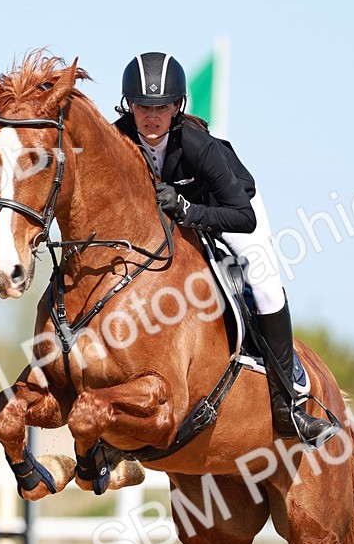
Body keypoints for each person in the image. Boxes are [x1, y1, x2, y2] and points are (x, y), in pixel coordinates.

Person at [114, 52, 338, 447]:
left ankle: (289, 402)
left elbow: (243, 217)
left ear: (177, 107)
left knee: (264, 281)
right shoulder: (120, 139)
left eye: (161, 107)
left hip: (229, 208)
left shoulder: (199, 146)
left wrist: (188, 210)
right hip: (171, 226)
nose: (152, 117)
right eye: (143, 107)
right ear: (128, 106)